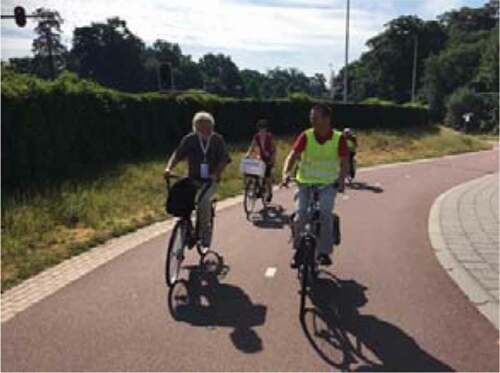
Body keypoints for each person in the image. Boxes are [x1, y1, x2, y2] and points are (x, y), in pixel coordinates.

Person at [281, 104, 349, 267]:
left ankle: (324, 251)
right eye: (311, 117)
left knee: (325, 214)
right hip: (304, 183)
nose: (312, 121)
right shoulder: (306, 136)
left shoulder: (338, 138)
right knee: (300, 216)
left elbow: (345, 163)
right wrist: (286, 173)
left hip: (327, 185)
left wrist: (340, 181)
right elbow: (292, 155)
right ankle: (298, 249)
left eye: (316, 117)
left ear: (327, 119)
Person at [164, 111, 230, 249]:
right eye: (201, 128)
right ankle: (185, 227)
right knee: (182, 200)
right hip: (193, 179)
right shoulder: (190, 139)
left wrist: (215, 174)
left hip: (211, 181)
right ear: (195, 127)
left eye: (207, 127)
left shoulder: (217, 140)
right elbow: (177, 154)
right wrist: (169, 168)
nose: (204, 130)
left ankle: (204, 232)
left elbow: (224, 160)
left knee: (204, 202)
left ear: (212, 127)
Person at [245, 119, 276, 202]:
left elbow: (273, 148)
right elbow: (252, 146)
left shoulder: (269, 137)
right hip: (261, 157)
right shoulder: (256, 137)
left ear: (266, 129)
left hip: (269, 157)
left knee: (267, 176)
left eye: (263, 129)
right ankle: (257, 188)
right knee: (256, 172)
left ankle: (269, 192)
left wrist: (273, 158)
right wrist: (248, 154)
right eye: (260, 129)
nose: (262, 131)